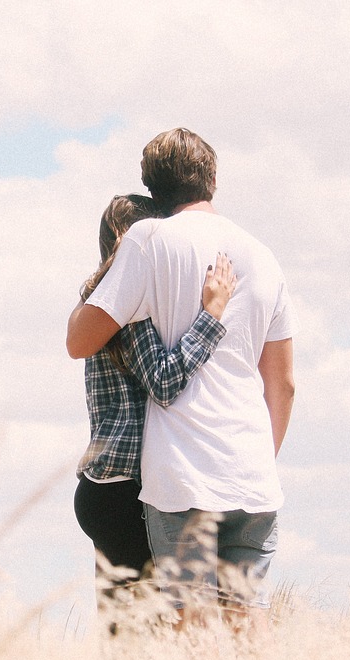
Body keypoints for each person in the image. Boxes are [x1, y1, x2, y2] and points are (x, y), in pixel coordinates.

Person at [66, 129, 296, 637]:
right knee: (246, 616)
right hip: (245, 473)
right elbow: (284, 385)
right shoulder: (263, 255)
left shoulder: (146, 252)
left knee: (171, 628)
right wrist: (259, 456)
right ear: (213, 177)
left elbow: (84, 342)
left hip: (170, 478)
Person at [72, 193, 237, 632]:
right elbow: (164, 382)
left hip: (103, 487)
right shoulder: (130, 308)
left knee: (124, 636)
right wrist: (211, 316)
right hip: (128, 492)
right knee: (151, 637)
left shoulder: (98, 303)